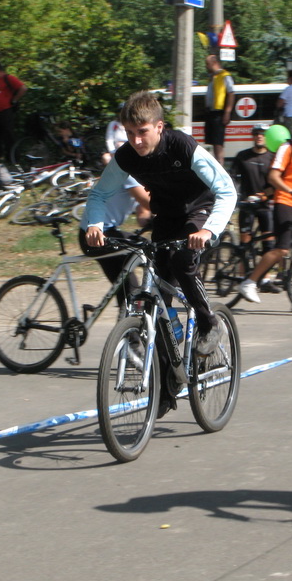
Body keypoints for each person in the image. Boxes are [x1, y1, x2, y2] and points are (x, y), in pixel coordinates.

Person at [83, 91, 236, 415]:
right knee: (159, 307)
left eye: (142, 132)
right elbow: (99, 194)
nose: (136, 141)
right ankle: (168, 387)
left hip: (200, 210)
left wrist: (208, 230)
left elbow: (225, 189)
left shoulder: (182, 146)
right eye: (130, 133)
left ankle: (208, 322)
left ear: (159, 127)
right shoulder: (127, 156)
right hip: (166, 217)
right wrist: (94, 224)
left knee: (182, 261)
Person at [235, 107, 292, 305]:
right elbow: (273, 177)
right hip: (285, 202)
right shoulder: (287, 148)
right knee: (283, 249)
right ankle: (250, 282)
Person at [78, 175, 151, 307]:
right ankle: (132, 317)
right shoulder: (129, 174)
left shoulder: (141, 177)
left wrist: (149, 220)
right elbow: (146, 201)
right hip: (94, 235)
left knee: (126, 284)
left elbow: (143, 211)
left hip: (107, 233)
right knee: (148, 252)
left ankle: (129, 316)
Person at [230, 124, 275, 249]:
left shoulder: (273, 157)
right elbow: (232, 178)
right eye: (256, 133)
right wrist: (236, 195)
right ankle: (242, 261)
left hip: (265, 205)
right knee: (244, 246)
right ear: (253, 136)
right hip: (246, 204)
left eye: (263, 134)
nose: (259, 136)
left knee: (269, 244)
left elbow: (277, 182)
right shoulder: (242, 156)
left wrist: (266, 194)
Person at [0, 62, 27, 163]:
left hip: (5, 112)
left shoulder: (8, 78)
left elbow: (23, 88)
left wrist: (14, 100)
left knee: (8, 136)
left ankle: (12, 159)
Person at [204, 54, 234, 165]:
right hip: (210, 112)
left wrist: (227, 112)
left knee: (218, 143)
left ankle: (220, 166)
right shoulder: (212, 77)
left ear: (214, 63)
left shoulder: (225, 76)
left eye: (207, 64)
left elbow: (231, 93)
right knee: (213, 142)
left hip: (219, 113)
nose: (206, 67)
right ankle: (216, 164)